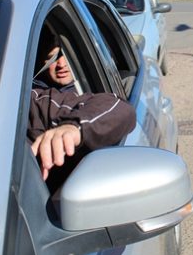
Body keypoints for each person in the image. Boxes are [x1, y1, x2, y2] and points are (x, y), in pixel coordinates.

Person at [28, 29, 136, 191]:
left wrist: (72, 127)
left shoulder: (49, 103)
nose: (61, 64)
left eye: (66, 57)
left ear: (78, 58)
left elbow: (120, 108)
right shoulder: (32, 96)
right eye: (51, 59)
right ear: (40, 64)